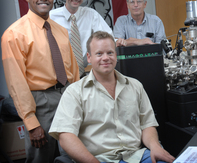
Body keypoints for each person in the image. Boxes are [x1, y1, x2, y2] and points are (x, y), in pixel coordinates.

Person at [49, 31, 175, 163]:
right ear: (89, 57)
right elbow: (66, 136)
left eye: (110, 52)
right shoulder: (74, 92)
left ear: (116, 55)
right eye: (99, 53)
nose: (105, 58)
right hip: (98, 159)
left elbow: (147, 124)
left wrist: (155, 147)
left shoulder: (135, 86)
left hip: (136, 156)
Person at [1, 0, 79, 163]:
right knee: (41, 156)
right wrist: (31, 122)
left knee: (73, 153)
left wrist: (78, 98)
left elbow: (73, 70)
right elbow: (16, 83)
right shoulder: (14, 34)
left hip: (67, 96)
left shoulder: (61, 31)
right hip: (40, 101)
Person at [50, 0, 113, 77]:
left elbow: (108, 38)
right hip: (60, 75)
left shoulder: (91, 14)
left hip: (86, 72)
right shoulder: (51, 17)